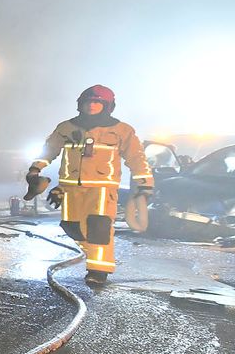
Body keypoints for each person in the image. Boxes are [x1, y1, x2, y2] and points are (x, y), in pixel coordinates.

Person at [27, 85, 152, 285]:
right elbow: (49, 149)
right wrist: (35, 169)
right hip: (70, 188)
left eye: (97, 102)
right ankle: (93, 254)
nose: (92, 106)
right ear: (80, 104)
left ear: (108, 106)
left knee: (99, 228)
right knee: (70, 226)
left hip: (102, 189)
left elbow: (137, 158)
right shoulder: (66, 128)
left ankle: (98, 271)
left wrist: (145, 184)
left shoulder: (122, 130)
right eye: (88, 102)